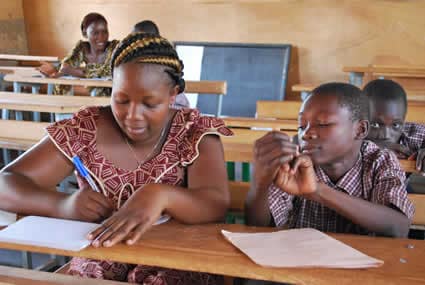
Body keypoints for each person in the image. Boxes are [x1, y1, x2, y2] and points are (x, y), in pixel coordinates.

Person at [0, 32, 231, 284]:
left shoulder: (193, 132)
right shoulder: (86, 129)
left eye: (150, 104)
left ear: (173, 95)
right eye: (121, 99)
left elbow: (215, 203)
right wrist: (62, 205)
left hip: (175, 265)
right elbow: (5, 184)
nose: (132, 115)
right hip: (98, 266)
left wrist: (161, 195)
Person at [245, 82, 414, 238]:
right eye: (302, 125)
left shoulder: (380, 161)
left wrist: (317, 191)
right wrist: (260, 183)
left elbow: (397, 227)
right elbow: (258, 227)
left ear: (360, 130)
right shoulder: (294, 161)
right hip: (301, 261)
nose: (307, 134)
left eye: (323, 124)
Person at [38, 12, 119, 96]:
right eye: (95, 33)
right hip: (98, 93)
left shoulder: (115, 48)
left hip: (118, 93)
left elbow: (106, 71)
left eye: (105, 32)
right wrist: (55, 69)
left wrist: (71, 71)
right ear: (85, 34)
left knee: (99, 90)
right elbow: (67, 64)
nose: (102, 37)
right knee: (60, 83)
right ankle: (61, 108)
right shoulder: (82, 48)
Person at [364, 79, 425, 172]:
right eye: (375, 124)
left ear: (403, 121)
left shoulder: (409, 134)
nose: (386, 135)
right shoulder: (349, 135)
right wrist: (372, 148)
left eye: (395, 125)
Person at [132, 19, 190, 109]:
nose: (133, 44)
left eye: (138, 41)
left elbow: (180, 104)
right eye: (132, 40)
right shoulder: (133, 62)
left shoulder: (164, 63)